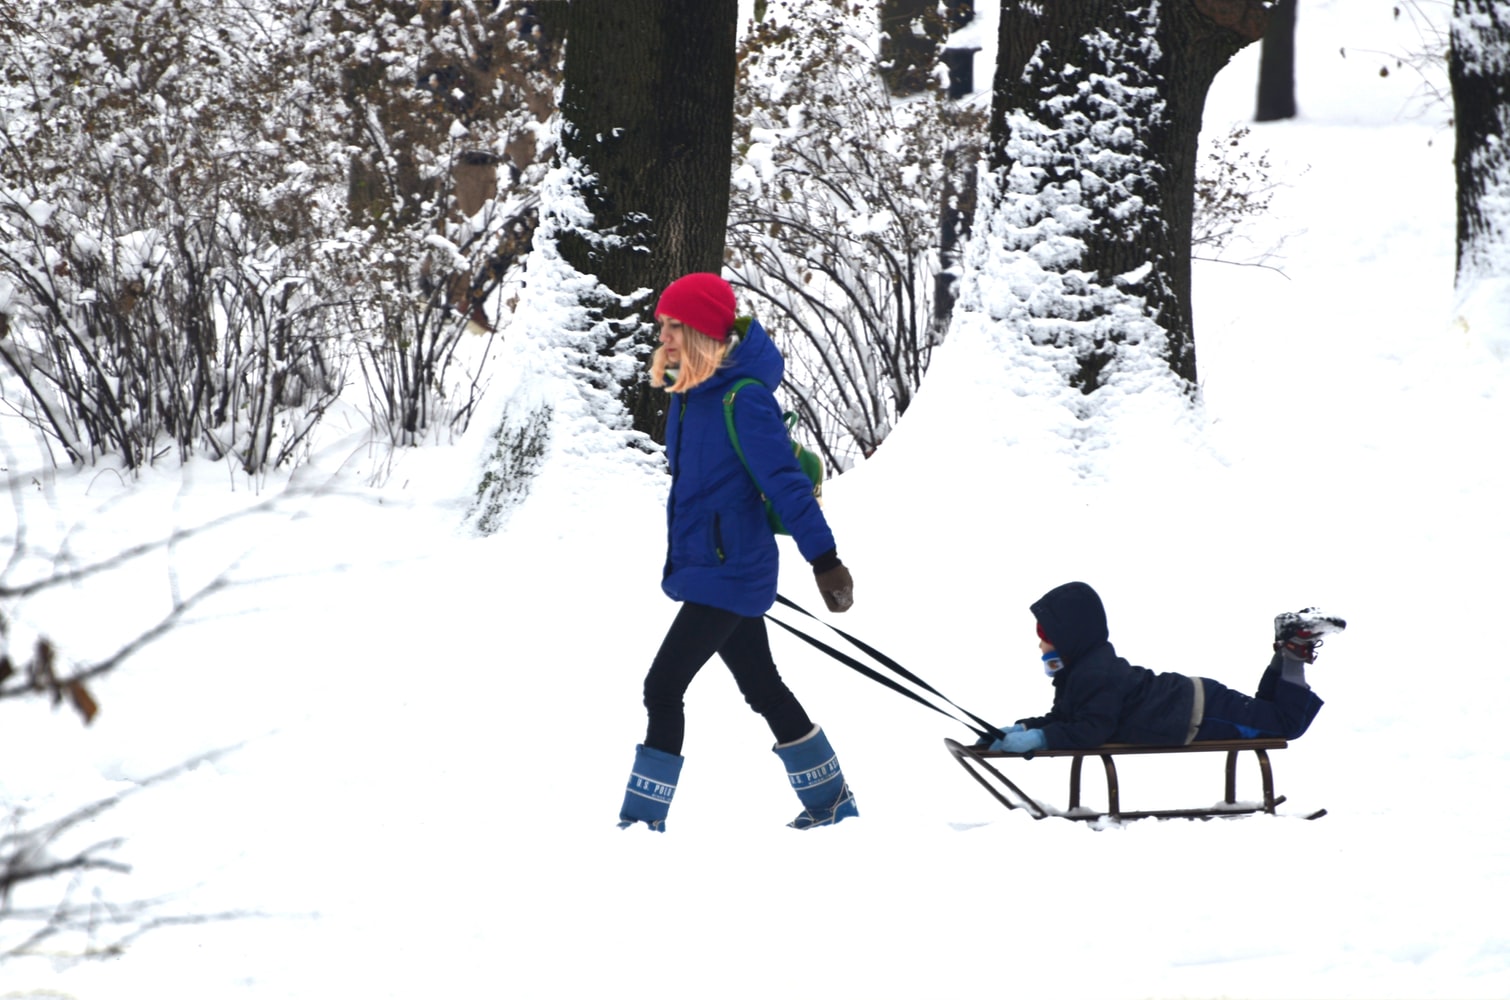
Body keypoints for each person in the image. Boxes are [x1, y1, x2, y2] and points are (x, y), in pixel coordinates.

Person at [616, 272, 859, 832]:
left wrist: (824, 560)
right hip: (708, 567)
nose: (666, 338)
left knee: (663, 686)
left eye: (677, 327)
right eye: (663, 327)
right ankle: (832, 802)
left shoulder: (743, 400)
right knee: (763, 686)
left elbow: (785, 485)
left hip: (733, 571)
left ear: (703, 331)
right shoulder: (687, 397)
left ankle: (640, 822)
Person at [987, 581, 1346, 754]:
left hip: (1200, 713)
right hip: (1194, 704)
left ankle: (1294, 649)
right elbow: (1068, 719)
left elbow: (1089, 730)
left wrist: (1037, 739)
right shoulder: (1081, 673)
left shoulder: (1094, 674)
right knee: (1272, 716)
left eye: (1045, 637)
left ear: (1069, 637)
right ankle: (1289, 643)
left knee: (1285, 724)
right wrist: (1020, 729)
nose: (1040, 645)